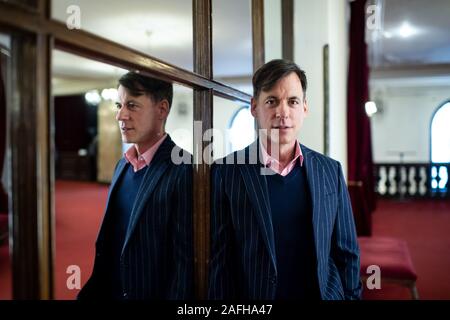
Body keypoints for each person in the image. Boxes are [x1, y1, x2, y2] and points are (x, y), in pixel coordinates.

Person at [208, 59, 362, 300]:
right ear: (254, 107)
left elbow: (347, 253)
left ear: (304, 108)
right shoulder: (226, 172)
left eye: (293, 101)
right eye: (271, 101)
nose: (283, 112)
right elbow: (220, 260)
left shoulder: (329, 171)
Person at [78, 71, 193, 300]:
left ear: (162, 109)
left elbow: (185, 265)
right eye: (119, 104)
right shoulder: (123, 164)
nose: (121, 115)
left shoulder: (184, 169)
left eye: (132, 105)